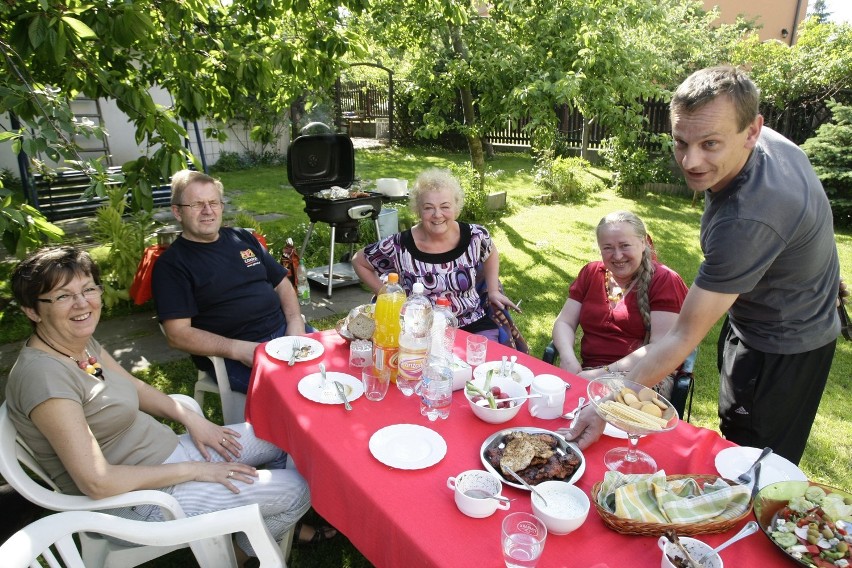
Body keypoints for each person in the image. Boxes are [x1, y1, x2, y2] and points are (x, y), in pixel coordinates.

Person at [564, 65, 840, 465]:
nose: (690, 162)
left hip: (784, 345)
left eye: (710, 144)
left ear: (752, 130)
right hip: (759, 316)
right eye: (681, 142)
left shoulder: (748, 220)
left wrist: (606, 405)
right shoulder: (766, 146)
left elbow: (678, 339)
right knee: (735, 427)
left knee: (756, 458)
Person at [5, 246, 311, 560]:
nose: (82, 304)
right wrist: (196, 470)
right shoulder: (45, 379)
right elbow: (98, 481)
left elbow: (132, 385)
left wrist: (192, 419)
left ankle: (250, 522)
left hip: (162, 457)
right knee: (298, 489)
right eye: (62, 296)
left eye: (88, 289)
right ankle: (238, 555)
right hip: (136, 501)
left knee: (281, 434)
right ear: (32, 310)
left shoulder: (77, 346)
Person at [151, 170, 311, 394]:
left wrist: (295, 324)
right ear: (177, 212)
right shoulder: (172, 265)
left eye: (214, 202)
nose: (208, 211)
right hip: (233, 354)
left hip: (286, 333)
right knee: (298, 392)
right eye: (197, 204)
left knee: (340, 368)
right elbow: (178, 335)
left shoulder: (241, 238)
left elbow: (281, 283)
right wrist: (238, 350)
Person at [352, 168, 520, 344]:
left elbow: (490, 253)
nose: (437, 215)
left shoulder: (475, 236)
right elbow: (359, 261)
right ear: (418, 210)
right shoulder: (399, 245)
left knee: (482, 366)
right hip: (420, 330)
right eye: (428, 208)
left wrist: (493, 290)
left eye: (445, 206)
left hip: (472, 324)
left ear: (456, 207)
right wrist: (387, 296)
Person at [551, 211, 689, 398]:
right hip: (589, 372)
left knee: (596, 414)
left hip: (644, 375)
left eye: (625, 246)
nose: (617, 256)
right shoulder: (591, 273)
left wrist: (600, 374)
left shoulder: (665, 280)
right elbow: (564, 322)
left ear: (643, 243)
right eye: (608, 248)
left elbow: (660, 347)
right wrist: (567, 358)